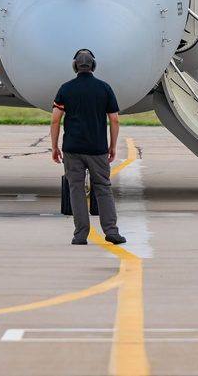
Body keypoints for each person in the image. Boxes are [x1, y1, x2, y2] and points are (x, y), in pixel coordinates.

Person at [51, 48, 126, 246]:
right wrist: (113, 146)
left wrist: (54, 147)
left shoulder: (65, 89)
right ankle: (111, 231)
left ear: (75, 66)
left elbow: (55, 121)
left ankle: (80, 235)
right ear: (93, 66)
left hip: (72, 148)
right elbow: (115, 120)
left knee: (76, 189)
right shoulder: (104, 88)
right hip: (98, 148)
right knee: (103, 188)